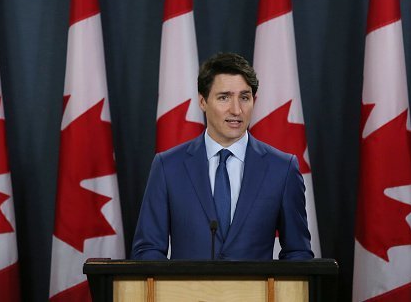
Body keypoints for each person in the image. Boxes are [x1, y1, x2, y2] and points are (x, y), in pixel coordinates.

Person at [131, 52, 313, 260]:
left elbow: (298, 253)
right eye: (224, 97)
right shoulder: (167, 167)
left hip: (256, 293)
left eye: (244, 98)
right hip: (187, 293)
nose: (236, 110)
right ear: (202, 101)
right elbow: (147, 250)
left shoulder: (282, 168)